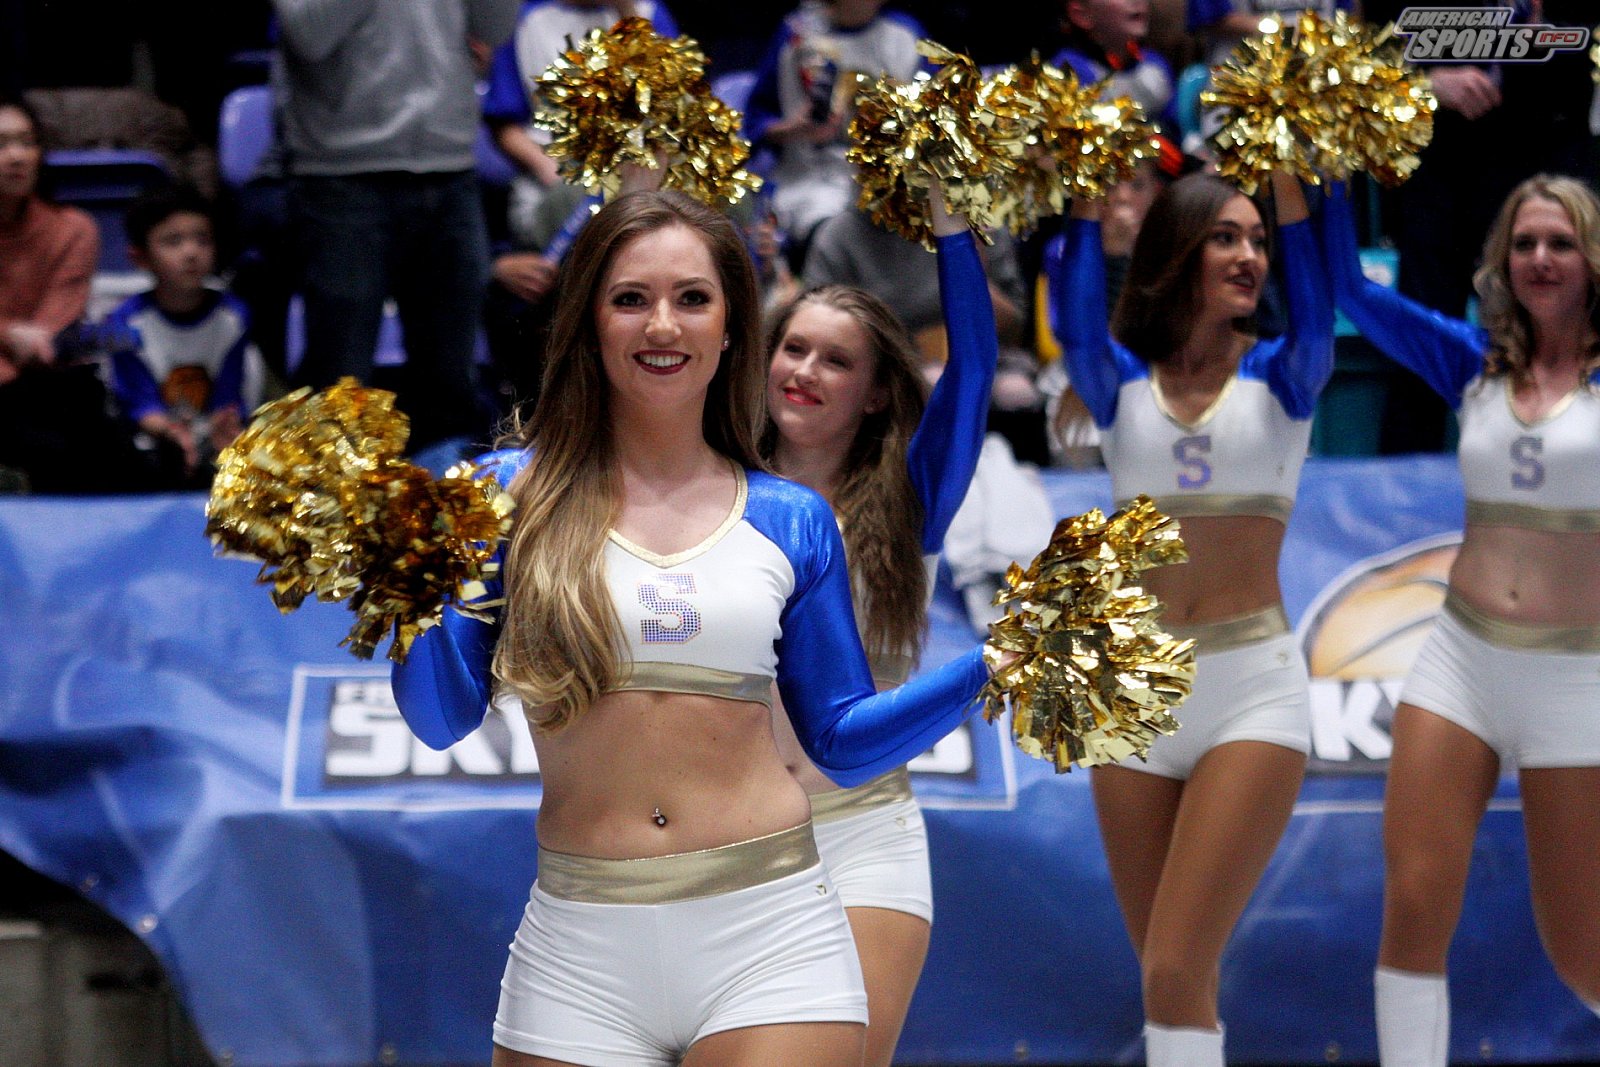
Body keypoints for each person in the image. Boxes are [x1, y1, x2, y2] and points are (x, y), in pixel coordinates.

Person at [389, 187, 994, 1067]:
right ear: (589, 322)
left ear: (730, 327)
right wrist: (405, 592)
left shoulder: (792, 518)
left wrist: (994, 663)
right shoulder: (501, 495)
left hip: (773, 931)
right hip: (578, 945)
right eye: (630, 298)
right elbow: (439, 718)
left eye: (693, 298)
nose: (661, 325)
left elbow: (837, 737)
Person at [1050, 170, 1333, 1066]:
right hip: (1128, 695)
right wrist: (1086, 205)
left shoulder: (1289, 377)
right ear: (1179, 252)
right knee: (1169, 976)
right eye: (1226, 238)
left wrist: (1293, 191)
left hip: (1251, 692)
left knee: (1175, 961)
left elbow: (1321, 310)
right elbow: (1075, 306)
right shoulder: (1116, 387)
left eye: (1258, 239)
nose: (1250, 255)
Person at [1322, 175, 1600, 1066]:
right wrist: (1323, 173)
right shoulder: (1473, 362)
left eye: (1560, 242)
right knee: (1412, 902)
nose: (1542, 260)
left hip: (1576, 675)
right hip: (1461, 661)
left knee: (1581, 949)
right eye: (1525, 244)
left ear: (1593, 256)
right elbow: (1352, 294)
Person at [759, 185, 994, 1067]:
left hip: (864, 837)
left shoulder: (909, 502)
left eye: (834, 361)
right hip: (727, 839)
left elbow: (972, 374)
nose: (804, 372)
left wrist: (951, 223)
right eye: (793, 348)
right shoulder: (713, 487)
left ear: (873, 394)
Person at [271, 0, 520, 453]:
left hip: (450, 166)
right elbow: (310, 34)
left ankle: (448, 515)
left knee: (451, 376)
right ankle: (332, 515)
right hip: (341, 173)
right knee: (339, 379)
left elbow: (496, 26)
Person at [481, 0, 680, 251]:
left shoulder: (648, 13)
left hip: (641, 175)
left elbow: (670, 109)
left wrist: (628, 15)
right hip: (554, 176)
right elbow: (504, 126)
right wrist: (552, 174)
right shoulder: (525, 18)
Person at [744, 0, 926, 270]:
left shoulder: (905, 36)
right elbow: (755, 123)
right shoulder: (796, 33)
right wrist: (793, 129)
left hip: (888, 186)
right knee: (833, 235)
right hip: (809, 182)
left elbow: (932, 125)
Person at [103, 185, 265, 482]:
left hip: (212, 439)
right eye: (173, 241)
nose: (191, 252)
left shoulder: (233, 316)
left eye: (202, 240)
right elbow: (138, 403)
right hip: (149, 441)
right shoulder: (125, 323)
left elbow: (230, 391)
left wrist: (224, 425)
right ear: (140, 257)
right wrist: (170, 432)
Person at [0, 93, 97, 379]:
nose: (17, 157)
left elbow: (45, 341)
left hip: (41, 387)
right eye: (1, 144)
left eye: (27, 142)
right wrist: (8, 333)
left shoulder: (73, 230)